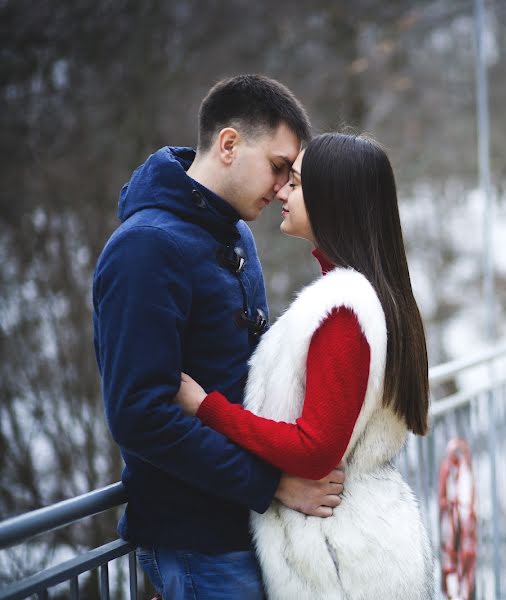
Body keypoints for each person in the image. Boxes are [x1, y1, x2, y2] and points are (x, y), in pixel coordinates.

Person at [92, 74, 346, 600]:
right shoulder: (144, 249)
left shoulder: (235, 233)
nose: (282, 187)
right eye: (278, 167)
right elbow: (140, 415)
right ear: (229, 144)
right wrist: (272, 484)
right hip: (196, 542)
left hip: (246, 529)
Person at [174, 132, 435, 599]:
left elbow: (316, 450)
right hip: (361, 545)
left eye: (294, 184)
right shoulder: (373, 294)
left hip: (340, 563)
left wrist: (206, 407)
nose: (281, 192)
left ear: (332, 199)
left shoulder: (343, 307)